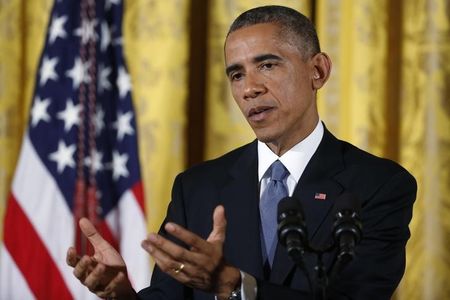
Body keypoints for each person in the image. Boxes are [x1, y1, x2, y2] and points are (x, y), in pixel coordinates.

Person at [66, 5, 417, 300]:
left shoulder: (379, 183)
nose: (249, 88)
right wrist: (124, 294)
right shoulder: (197, 186)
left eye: (267, 65)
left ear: (318, 70)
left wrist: (234, 285)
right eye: (236, 74)